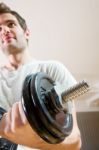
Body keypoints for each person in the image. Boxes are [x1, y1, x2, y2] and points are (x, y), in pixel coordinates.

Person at [0, 3, 81, 150]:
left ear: (27, 33)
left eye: (10, 24)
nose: (4, 30)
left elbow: (74, 142)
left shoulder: (51, 69)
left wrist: (33, 140)